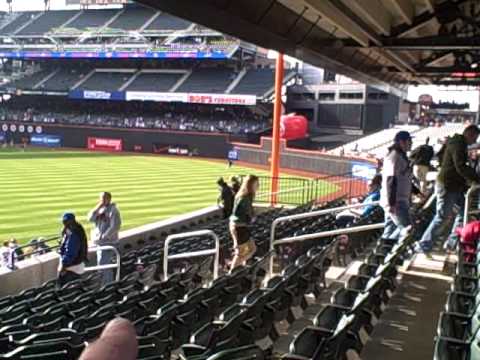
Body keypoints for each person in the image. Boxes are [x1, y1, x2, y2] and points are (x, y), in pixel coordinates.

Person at [417, 125, 480, 255]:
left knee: (464, 214)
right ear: (470, 134)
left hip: (455, 186)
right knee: (442, 217)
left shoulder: (458, 142)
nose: (474, 142)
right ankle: (423, 246)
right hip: (447, 186)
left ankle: (451, 245)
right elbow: (460, 166)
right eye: (475, 138)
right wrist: (476, 179)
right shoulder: (458, 143)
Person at [380, 131, 420, 241]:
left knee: (389, 234)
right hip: (396, 202)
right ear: (401, 142)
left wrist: (417, 192)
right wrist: (392, 203)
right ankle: (385, 254)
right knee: (408, 229)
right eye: (409, 141)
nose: (411, 143)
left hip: (399, 200)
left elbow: (404, 179)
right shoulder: (394, 156)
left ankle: (380, 255)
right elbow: (391, 180)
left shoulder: (400, 156)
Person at [88, 192, 122, 284]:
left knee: (103, 265)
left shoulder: (114, 210)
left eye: (104, 198)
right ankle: (106, 284)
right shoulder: (100, 209)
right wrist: (97, 207)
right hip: (100, 243)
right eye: (100, 198)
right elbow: (90, 218)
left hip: (108, 243)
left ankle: (108, 285)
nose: (102, 200)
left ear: (109, 199)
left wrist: (104, 236)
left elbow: (115, 226)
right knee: (102, 265)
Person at [229, 175, 258, 271]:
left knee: (252, 249)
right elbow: (251, 216)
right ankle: (231, 272)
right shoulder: (244, 197)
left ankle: (238, 266)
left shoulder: (244, 196)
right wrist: (253, 216)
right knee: (240, 253)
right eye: (256, 184)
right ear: (250, 185)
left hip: (240, 226)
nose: (258, 186)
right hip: (238, 227)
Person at [58, 213, 88, 287]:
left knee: (67, 292)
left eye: (65, 222)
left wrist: (63, 266)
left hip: (71, 269)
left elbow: (71, 252)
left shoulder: (73, 233)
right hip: (78, 265)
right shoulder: (78, 228)